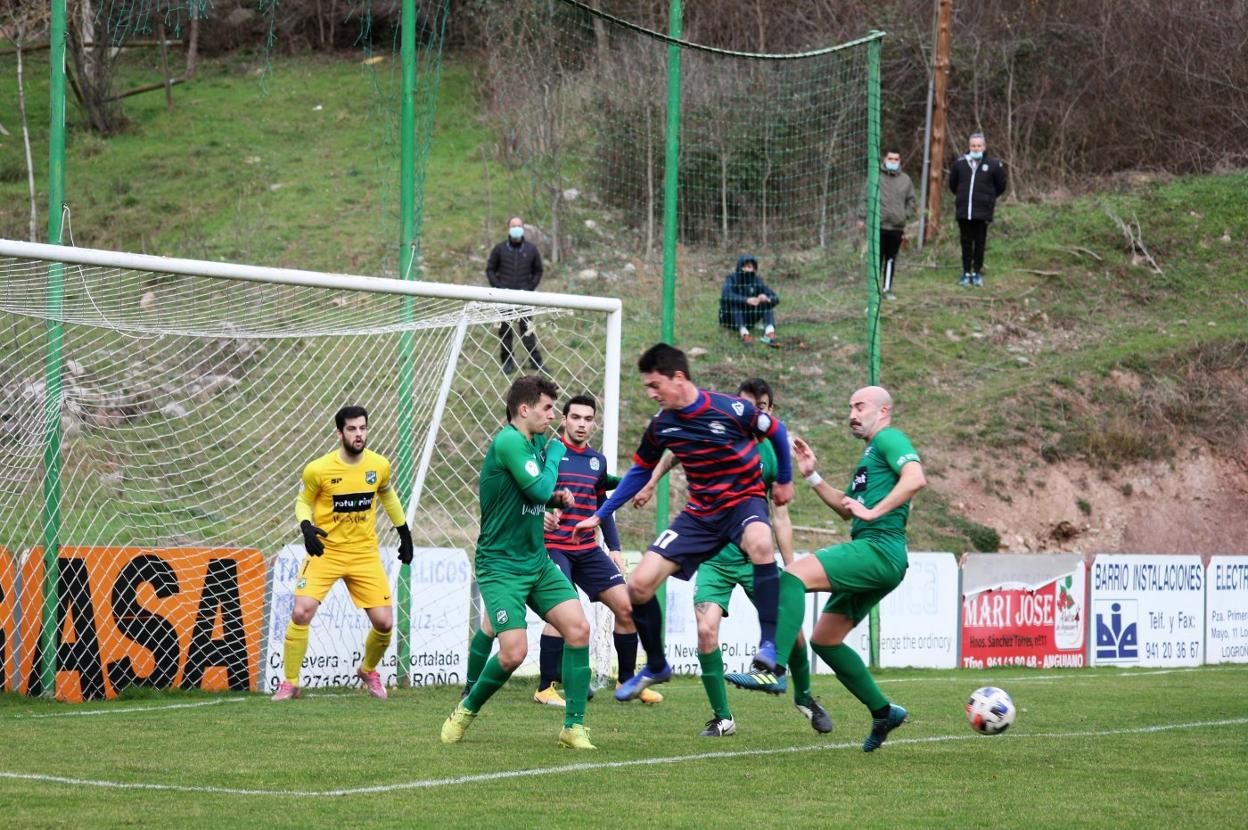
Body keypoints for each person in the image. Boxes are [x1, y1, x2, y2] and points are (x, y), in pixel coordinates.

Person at [572, 343, 795, 703]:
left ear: (679, 377)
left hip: (742, 502)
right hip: (701, 514)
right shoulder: (662, 426)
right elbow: (639, 471)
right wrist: (601, 513)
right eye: (647, 386)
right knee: (640, 585)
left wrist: (784, 478)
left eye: (654, 385)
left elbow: (777, 432)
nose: (650, 393)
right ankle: (657, 665)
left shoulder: (731, 408)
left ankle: (768, 642)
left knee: (760, 543)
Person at [729, 386, 926, 753]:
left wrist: (875, 512)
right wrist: (813, 477)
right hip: (878, 552)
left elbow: (915, 478)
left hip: (879, 548)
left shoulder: (891, 438)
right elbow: (847, 507)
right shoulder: (871, 455)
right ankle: (884, 711)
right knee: (825, 640)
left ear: (883, 411)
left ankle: (773, 668)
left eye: (860, 406)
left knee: (791, 575)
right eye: (849, 405)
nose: (852, 412)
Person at [634, 378, 831, 738]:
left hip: (755, 558)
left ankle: (804, 698)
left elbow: (780, 515)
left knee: (794, 634)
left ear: (769, 412)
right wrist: (650, 482)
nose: (753, 413)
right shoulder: (715, 430)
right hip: (715, 557)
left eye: (762, 408)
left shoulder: (772, 453)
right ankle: (723, 718)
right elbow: (674, 451)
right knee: (706, 630)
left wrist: (792, 569)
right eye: (746, 405)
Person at [460, 394, 661, 707]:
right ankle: (544, 686)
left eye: (588, 418)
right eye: (575, 417)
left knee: (626, 606)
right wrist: (542, 516)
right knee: (549, 617)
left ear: (594, 423)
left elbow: (602, 502)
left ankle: (626, 681)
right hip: (549, 549)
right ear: (565, 420)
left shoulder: (597, 462)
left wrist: (615, 546)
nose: (581, 424)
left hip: (587, 549)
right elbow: (526, 491)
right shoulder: (541, 451)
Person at [440, 375, 597, 750]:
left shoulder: (532, 442)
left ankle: (572, 727)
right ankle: (466, 709)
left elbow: (535, 496)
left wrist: (555, 502)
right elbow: (538, 488)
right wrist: (558, 457)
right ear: (524, 409)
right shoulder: (510, 441)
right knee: (513, 652)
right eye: (547, 408)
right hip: (500, 566)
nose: (554, 416)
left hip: (536, 561)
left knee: (578, 629)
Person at [271, 405, 414, 702]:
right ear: (340, 433)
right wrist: (306, 526)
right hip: (326, 552)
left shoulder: (379, 465)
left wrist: (404, 532)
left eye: (363, 428)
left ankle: (368, 670)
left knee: (385, 623)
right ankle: (290, 682)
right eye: (352, 429)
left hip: (364, 554)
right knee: (301, 611)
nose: (359, 434)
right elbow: (302, 502)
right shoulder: (318, 469)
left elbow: (386, 493)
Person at [486, 216, 545, 373]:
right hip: (504, 298)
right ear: (508, 228)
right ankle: (507, 362)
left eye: (519, 225)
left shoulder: (531, 250)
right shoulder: (500, 249)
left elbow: (538, 270)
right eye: (513, 225)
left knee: (528, 331)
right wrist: (498, 287)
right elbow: (490, 269)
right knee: (505, 331)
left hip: (524, 298)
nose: (516, 228)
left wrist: (530, 287)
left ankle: (536, 361)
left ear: (523, 228)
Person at [948, 133, 1007, 287]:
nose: (976, 148)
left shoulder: (993, 164)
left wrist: (988, 199)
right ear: (969, 147)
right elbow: (953, 185)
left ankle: (977, 272)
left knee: (979, 243)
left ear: (984, 147)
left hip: (982, 212)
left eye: (979, 145)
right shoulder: (959, 164)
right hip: (964, 211)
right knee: (966, 242)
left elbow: (1000, 186)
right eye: (973, 145)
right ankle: (966, 272)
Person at [858, 150, 916, 301]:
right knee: (877, 258)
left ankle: (887, 289)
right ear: (885, 159)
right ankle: (874, 289)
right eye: (890, 158)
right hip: (878, 226)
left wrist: (905, 214)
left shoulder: (906, 180)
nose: (893, 161)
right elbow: (865, 198)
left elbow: (911, 200)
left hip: (896, 227)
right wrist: (862, 217)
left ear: (900, 160)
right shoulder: (875, 177)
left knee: (891, 259)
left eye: (896, 159)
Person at [718, 255, 781, 347]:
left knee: (766, 304)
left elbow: (775, 298)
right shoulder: (731, 278)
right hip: (730, 318)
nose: (747, 269)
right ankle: (745, 335)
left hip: (750, 317)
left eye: (750, 266)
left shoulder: (757, 280)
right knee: (735, 304)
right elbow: (726, 295)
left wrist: (767, 298)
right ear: (740, 266)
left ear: (754, 268)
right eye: (745, 266)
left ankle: (770, 333)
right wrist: (746, 300)